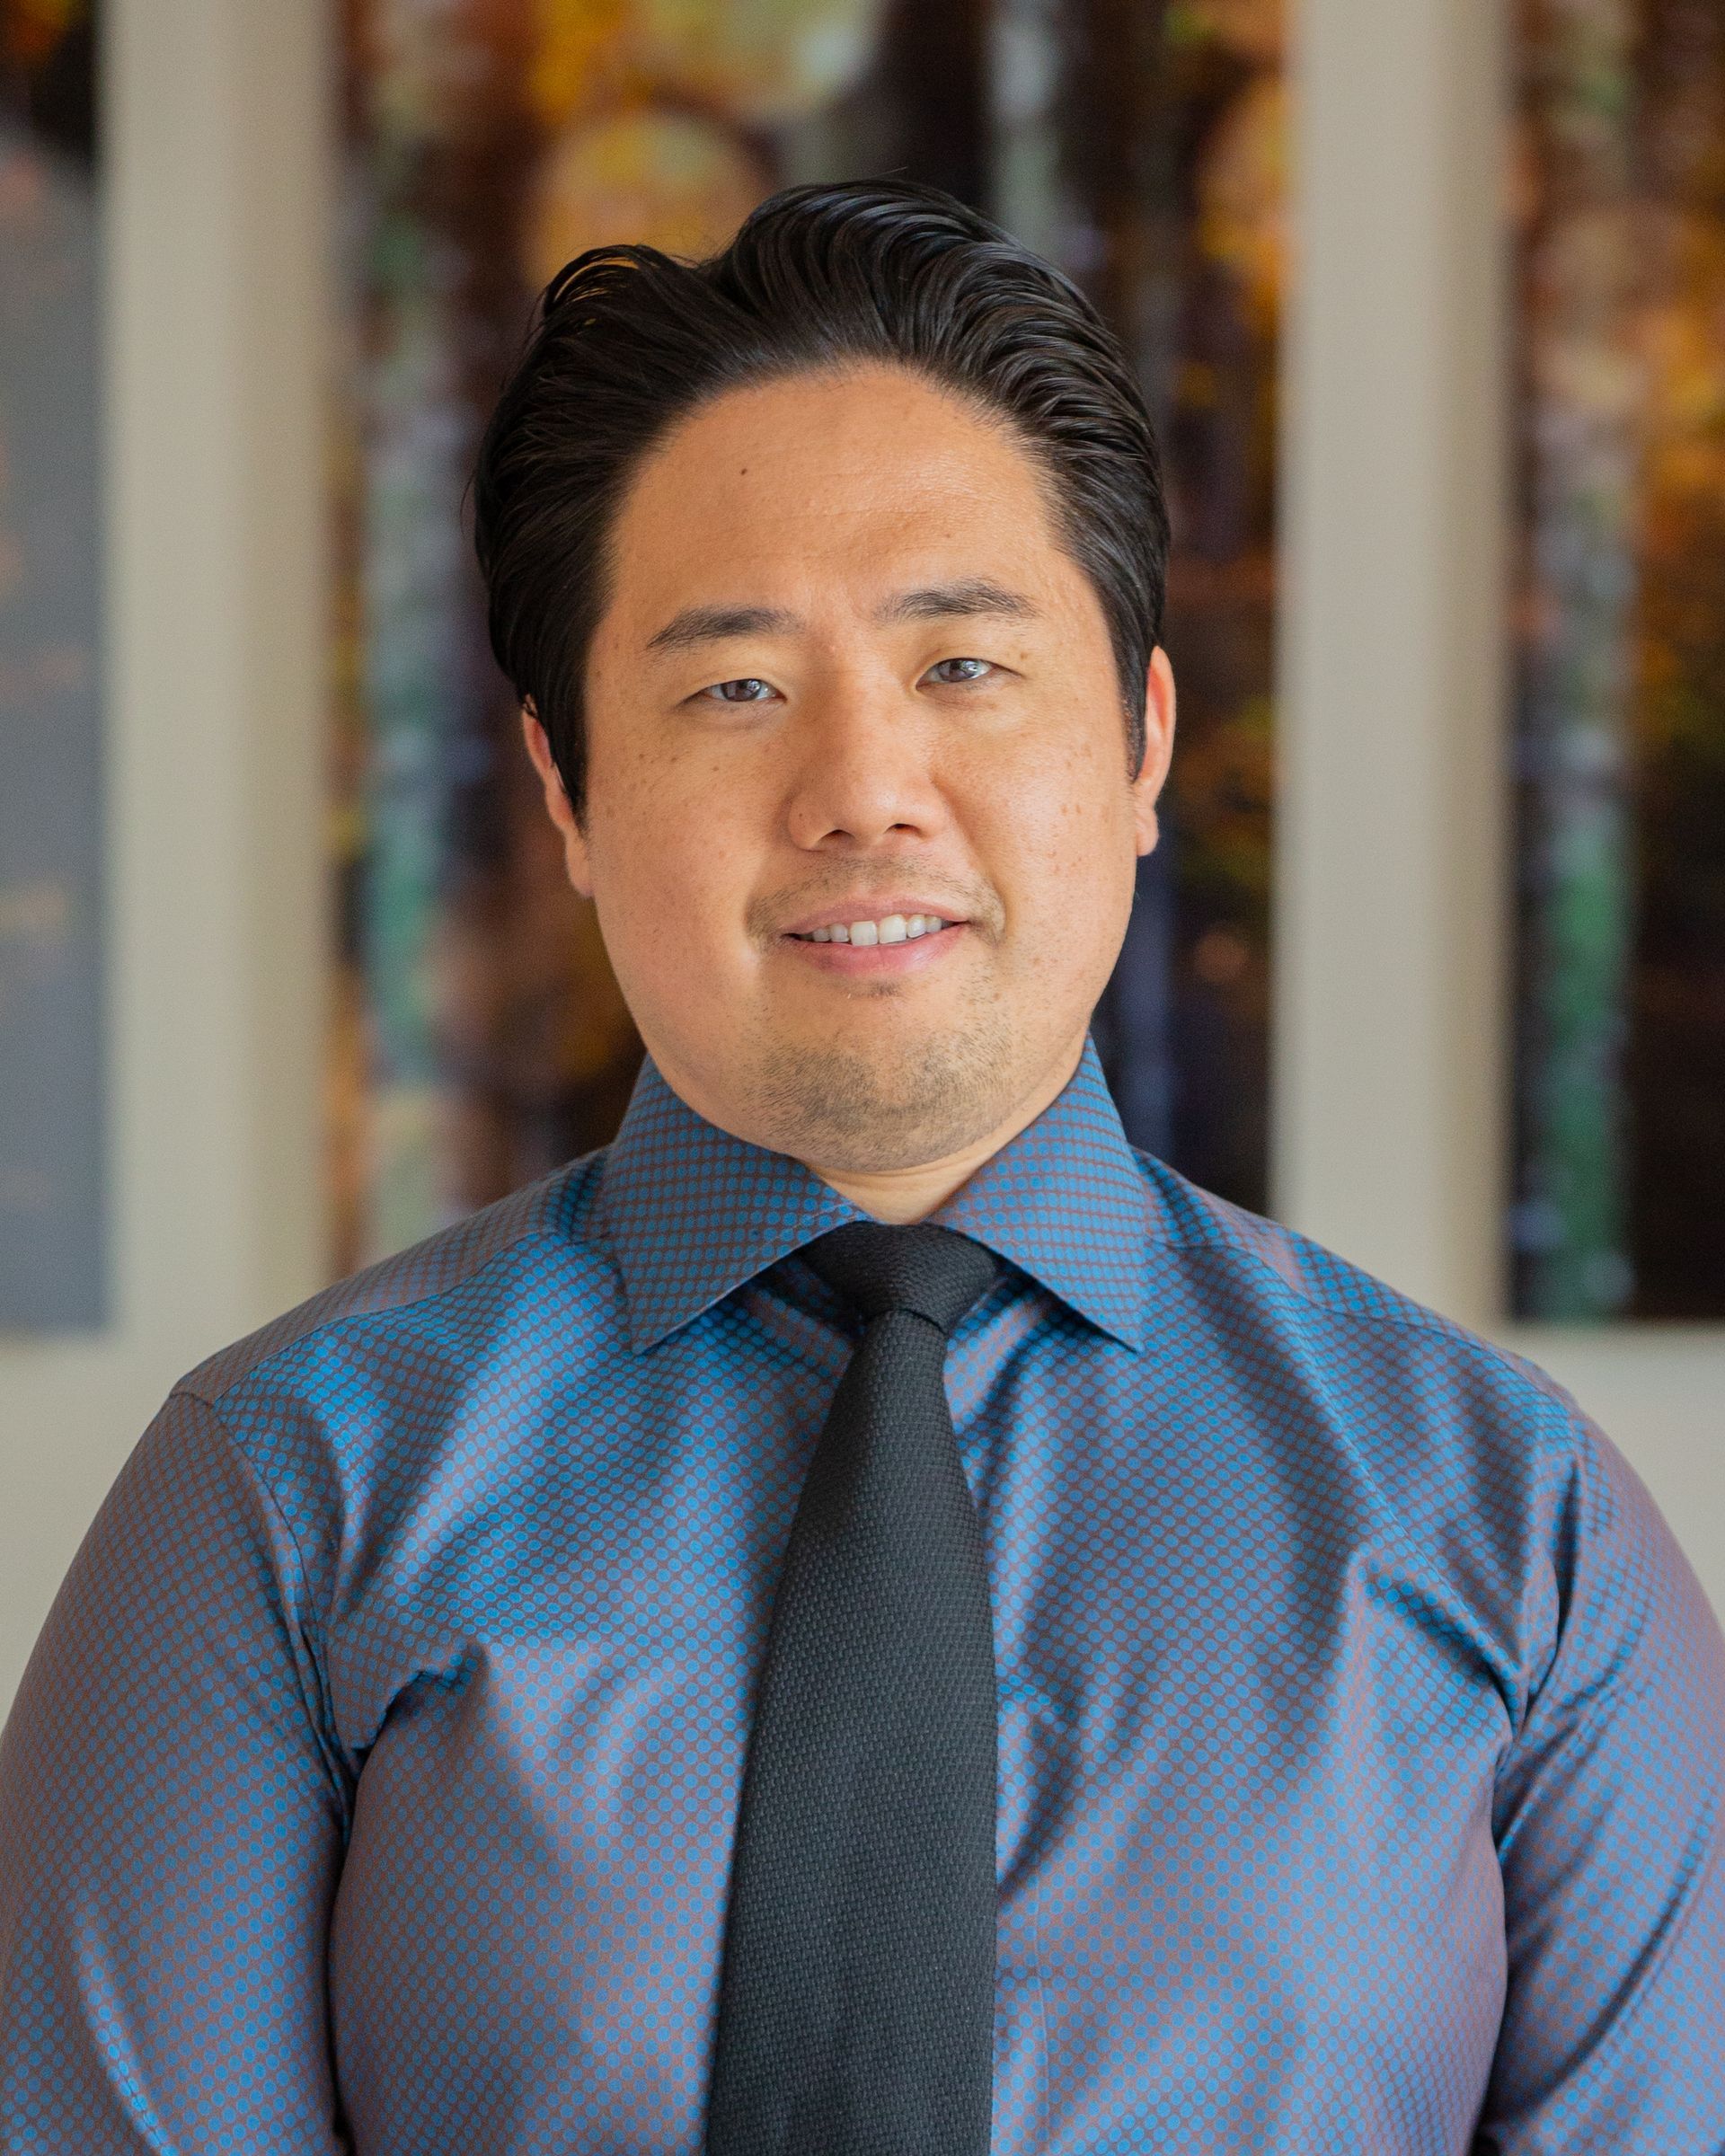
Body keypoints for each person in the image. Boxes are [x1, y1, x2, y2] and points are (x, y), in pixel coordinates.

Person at [2, 180, 1721, 2156]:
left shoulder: (1522, 1528)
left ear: (1144, 743)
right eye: (734, 687)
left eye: (964, 667)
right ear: (567, 789)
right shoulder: (274, 1500)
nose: (861, 791)